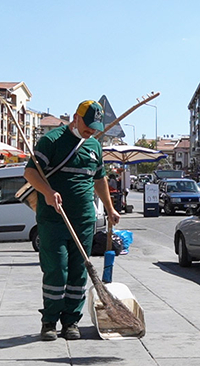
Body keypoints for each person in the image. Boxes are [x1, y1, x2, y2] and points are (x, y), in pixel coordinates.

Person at [24, 100, 121, 341]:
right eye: (88, 126)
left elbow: (99, 179)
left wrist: (109, 209)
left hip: (84, 219)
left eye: (95, 127)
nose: (91, 131)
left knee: (79, 272)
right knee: (56, 269)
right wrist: (47, 192)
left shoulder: (95, 146)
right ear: (75, 118)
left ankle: (71, 322)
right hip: (53, 218)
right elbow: (30, 172)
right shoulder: (52, 141)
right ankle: (49, 322)